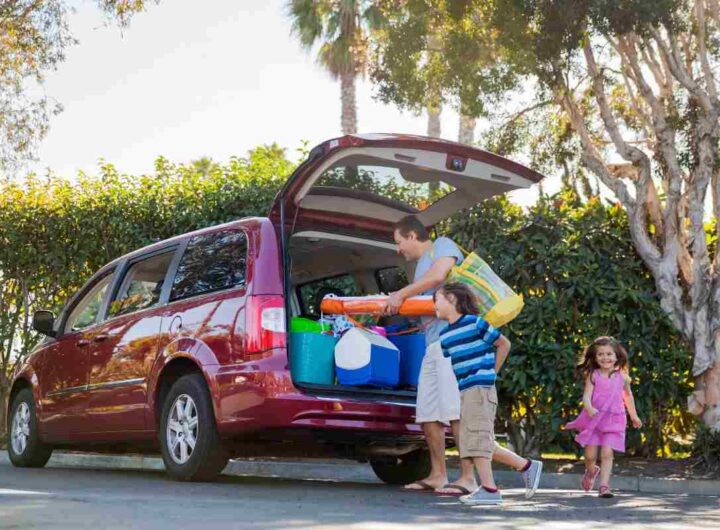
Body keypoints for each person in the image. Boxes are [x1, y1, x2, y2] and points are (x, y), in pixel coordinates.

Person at [387, 215, 476, 495]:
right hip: (432, 345)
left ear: (413, 236)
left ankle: (468, 477)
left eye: (399, 242)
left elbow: (439, 277)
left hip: (453, 343)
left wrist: (401, 294)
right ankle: (438, 475)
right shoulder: (418, 271)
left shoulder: (442, 246)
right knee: (428, 413)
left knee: (456, 413)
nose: (398, 249)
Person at [434, 282, 542, 505]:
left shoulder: (475, 323)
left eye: (437, 299)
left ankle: (490, 490)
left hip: (480, 387)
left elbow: (504, 344)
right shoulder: (445, 336)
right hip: (466, 389)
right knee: (477, 439)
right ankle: (527, 466)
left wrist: (492, 373)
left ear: (452, 299)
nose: (433, 304)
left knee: (477, 438)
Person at [565, 336, 642, 498]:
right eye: (600, 354)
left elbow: (628, 396)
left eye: (609, 354)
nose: (605, 358)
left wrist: (634, 416)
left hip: (614, 420)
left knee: (607, 453)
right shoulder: (593, 375)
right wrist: (589, 408)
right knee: (590, 456)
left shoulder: (622, 377)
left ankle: (604, 486)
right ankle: (591, 471)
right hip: (594, 419)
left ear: (617, 357)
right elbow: (586, 396)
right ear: (594, 357)